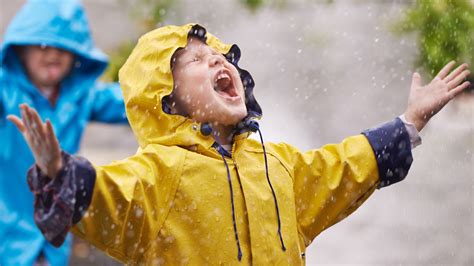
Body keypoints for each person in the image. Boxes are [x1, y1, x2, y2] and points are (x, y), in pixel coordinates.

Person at [8, 24, 470, 264]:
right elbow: (109, 198)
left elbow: (342, 166)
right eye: (194, 60)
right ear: (165, 100)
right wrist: (58, 173)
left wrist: (409, 123)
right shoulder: (159, 177)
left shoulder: (276, 165)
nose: (214, 59)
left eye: (217, 55)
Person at [0, 0, 128, 265]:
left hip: (54, 234)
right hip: (7, 231)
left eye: (64, 47)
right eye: (42, 45)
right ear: (22, 50)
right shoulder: (5, 90)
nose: (53, 53)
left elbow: (131, 102)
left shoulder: (81, 96)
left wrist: (181, 96)